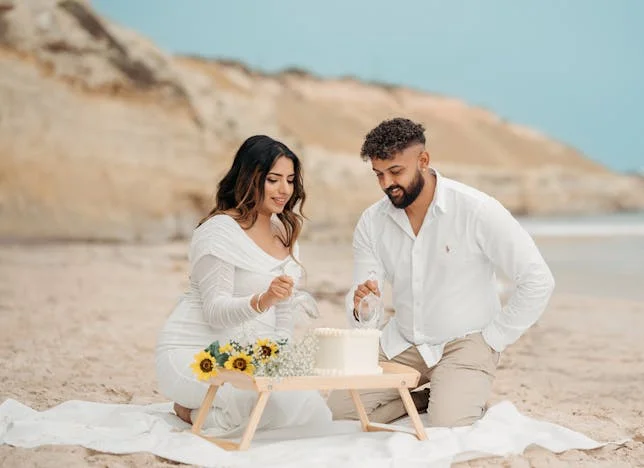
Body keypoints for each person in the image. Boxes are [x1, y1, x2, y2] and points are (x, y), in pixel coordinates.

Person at [327, 118, 556, 427]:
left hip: (465, 344)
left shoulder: (477, 209)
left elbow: (537, 279)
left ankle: (447, 399)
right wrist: (363, 307)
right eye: (378, 174)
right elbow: (367, 316)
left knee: (447, 427)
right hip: (403, 342)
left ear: (423, 161)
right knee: (341, 410)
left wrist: (492, 340)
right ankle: (424, 398)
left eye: (396, 172)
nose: (386, 184)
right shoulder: (372, 222)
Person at [155, 135, 332, 437]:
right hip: (194, 354)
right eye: (273, 179)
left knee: (308, 408)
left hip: (248, 356)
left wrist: (279, 362)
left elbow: (284, 317)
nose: (284, 190)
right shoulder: (220, 230)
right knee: (246, 402)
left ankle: (212, 410)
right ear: (250, 178)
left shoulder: (285, 234)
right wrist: (262, 300)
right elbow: (214, 312)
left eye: (290, 180)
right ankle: (185, 408)